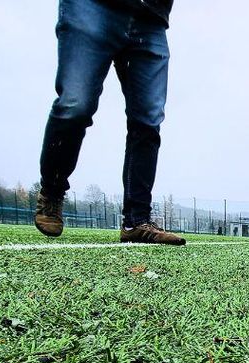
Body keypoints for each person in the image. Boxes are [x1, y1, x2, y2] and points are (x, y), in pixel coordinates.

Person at [33, 0, 184, 246]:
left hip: (151, 17)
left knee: (148, 120)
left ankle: (136, 220)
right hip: (92, 6)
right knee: (76, 104)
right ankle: (52, 190)